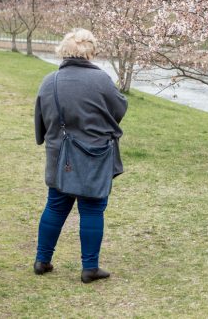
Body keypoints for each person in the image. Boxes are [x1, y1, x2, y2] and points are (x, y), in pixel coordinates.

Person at [33, 29, 127, 283]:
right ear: (91, 52)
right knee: (92, 209)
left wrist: (49, 138)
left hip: (59, 154)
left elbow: (40, 120)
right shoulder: (101, 81)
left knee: (55, 205)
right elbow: (120, 108)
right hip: (94, 155)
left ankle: (42, 261)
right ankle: (89, 268)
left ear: (64, 51)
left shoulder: (49, 80)